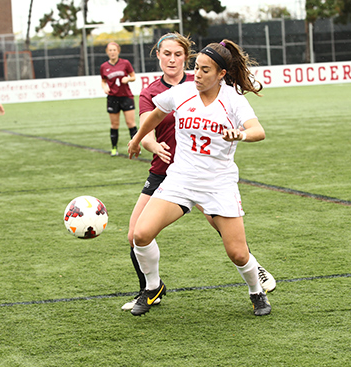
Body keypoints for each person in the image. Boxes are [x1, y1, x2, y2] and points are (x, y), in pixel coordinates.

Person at [122, 33, 276, 312]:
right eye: (197, 68)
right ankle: (153, 287)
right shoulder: (181, 93)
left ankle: (256, 292)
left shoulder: (232, 99)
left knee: (238, 253)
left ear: (221, 74)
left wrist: (240, 134)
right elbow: (156, 114)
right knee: (140, 235)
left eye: (206, 70)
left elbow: (258, 131)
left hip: (218, 184)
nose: (198, 74)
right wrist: (137, 139)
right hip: (181, 179)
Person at [100, 41, 137, 156]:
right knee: (114, 125)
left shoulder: (125, 63)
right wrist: (104, 87)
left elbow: (133, 76)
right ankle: (114, 148)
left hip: (126, 97)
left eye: (114, 50)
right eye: (110, 50)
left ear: (118, 51)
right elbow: (103, 81)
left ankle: (135, 147)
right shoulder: (104, 66)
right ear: (107, 52)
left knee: (131, 123)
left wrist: (128, 79)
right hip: (113, 98)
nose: (112, 52)